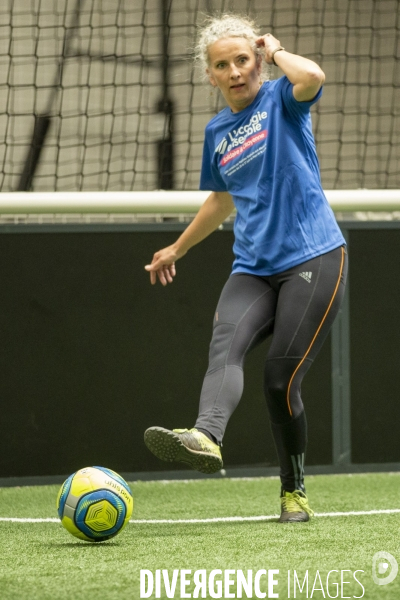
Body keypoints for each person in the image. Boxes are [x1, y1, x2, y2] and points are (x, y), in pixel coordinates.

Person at [143, 14, 347, 523]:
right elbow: (220, 199)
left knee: (280, 380)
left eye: (242, 60)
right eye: (221, 65)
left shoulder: (282, 99)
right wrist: (177, 248)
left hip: (313, 256)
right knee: (224, 347)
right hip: (252, 267)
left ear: (256, 62)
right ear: (210, 76)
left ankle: (293, 493)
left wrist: (275, 50)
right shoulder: (217, 131)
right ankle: (207, 436)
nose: (234, 71)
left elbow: (314, 77)